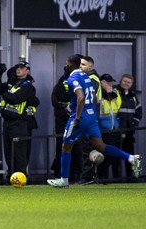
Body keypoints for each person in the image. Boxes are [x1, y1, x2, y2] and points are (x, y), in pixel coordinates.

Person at [47, 55, 142, 188]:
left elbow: (81, 97)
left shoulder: (73, 78)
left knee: (66, 146)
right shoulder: (87, 77)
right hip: (91, 116)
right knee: (100, 145)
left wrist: (77, 117)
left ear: (69, 65)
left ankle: (64, 180)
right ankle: (131, 158)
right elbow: (95, 99)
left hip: (80, 116)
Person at [0, 61, 35, 181]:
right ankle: (11, 175)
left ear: (27, 70)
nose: (18, 70)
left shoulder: (28, 86)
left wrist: (5, 94)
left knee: (19, 152)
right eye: (17, 68)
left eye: (22, 68)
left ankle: (21, 176)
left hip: (19, 122)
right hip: (7, 122)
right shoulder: (13, 84)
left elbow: (14, 98)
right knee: (8, 151)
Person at [50, 73, 82, 180]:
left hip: (72, 119)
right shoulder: (63, 84)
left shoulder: (75, 83)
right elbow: (55, 101)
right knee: (65, 146)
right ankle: (66, 173)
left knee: (71, 147)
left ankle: (71, 173)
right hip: (66, 120)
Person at [79, 56, 101, 184]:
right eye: (80, 64)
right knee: (86, 147)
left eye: (83, 64)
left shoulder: (91, 79)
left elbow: (85, 97)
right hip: (89, 116)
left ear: (90, 67)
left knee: (88, 147)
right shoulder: (89, 78)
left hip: (89, 117)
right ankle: (87, 176)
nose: (81, 66)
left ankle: (87, 177)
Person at [116, 74, 143, 181]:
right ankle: (116, 178)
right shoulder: (115, 93)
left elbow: (139, 112)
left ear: (131, 84)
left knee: (130, 156)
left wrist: (134, 124)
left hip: (129, 132)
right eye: (124, 81)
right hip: (117, 131)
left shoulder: (133, 97)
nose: (126, 83)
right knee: (116, 157)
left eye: (129, 82)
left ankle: (129, 177)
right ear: (120, 81)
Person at [97, 74, 122, 181]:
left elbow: (118, 107)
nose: (110, 84)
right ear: (101, 83)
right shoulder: (98, 95)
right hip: (102, 130)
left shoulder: (115, 94)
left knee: (110, 157)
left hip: (114, 129)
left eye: (111, 82)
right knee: (102, 155)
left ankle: (105, 177)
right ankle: (101, 177)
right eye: (107, 82)